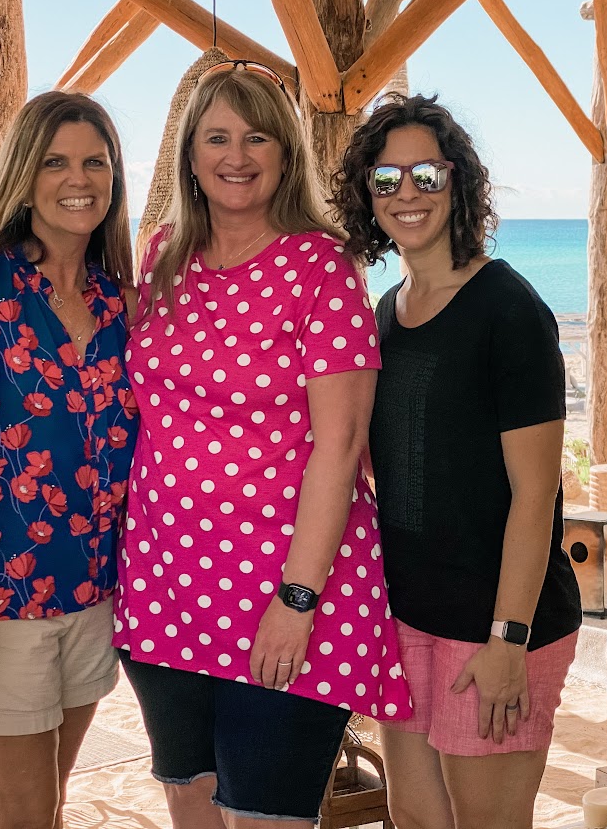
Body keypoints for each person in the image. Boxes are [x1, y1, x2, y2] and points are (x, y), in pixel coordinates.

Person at [115, 61, 412, 829]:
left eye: (257, 137)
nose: (236, 155)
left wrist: (296, 599)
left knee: (265, 818)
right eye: (217, 136)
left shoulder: (322, 266)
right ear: (190, 153)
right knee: (191, 800)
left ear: (286, 153)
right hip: (163, 584)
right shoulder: (162, 256)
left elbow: (340, 444)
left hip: (285, 589)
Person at [331, 93, 582, 829]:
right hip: (407, 618)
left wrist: (509, 638)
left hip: (497, 624)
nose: (406, 193)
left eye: (426, 175)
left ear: (457, 184)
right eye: (387, 179)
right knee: (413, 819)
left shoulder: (510, 310)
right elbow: (392, 466)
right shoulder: (385, 311)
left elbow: (537, 494)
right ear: (367, 195)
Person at [0, 91, 139, 829]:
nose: (77, 177)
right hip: (1, 606)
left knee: (49, 805)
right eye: (54, 161)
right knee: (19, 814)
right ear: (23, 175)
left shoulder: (124, 304)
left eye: (95, 161)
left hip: (95, 593)